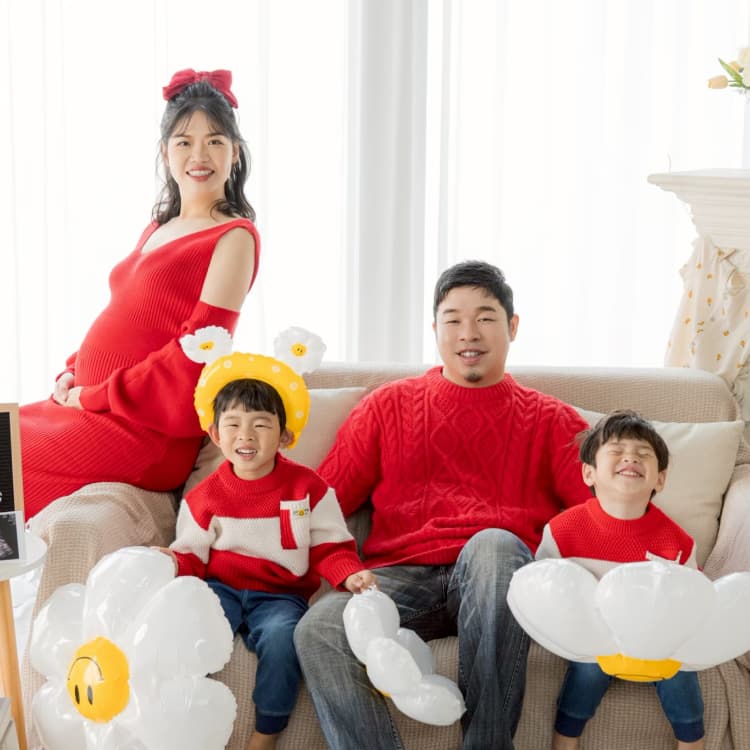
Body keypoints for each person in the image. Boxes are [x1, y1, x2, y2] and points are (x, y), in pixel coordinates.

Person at [293, 260, 591, 750]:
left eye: (486, 318)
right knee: (320, 629)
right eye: (453, 319)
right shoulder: (387, 406)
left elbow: (604, 516)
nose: (468, 333)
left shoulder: (552, 420)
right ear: (435, 329)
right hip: (403, 577)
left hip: (498, 580)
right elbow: (322, 502)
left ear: (513, 327)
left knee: (495, 545)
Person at [19, 68, 260, 519]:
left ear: (235, 152)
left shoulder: (234, 238)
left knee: (8, 458)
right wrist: (73, 372)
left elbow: (195, 354)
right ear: (165, 152)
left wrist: (96, 395)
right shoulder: (159, 226)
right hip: (92, 408)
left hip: (144, 430)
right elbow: (128, 315)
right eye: (184, 142)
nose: (199, 155)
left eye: (214, 141)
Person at [155, 358, 377, 750]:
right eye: (233, 425)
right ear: (215, 434)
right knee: (188, 631)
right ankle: (180, 717)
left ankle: (267, 731)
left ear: (284, 436)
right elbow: (191, 556)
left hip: (280, 596)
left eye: (260, 424)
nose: (246, 435)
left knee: (282, 639)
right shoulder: (203, 497)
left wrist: (349, 573)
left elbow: (330, 546)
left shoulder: (308, 489)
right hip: (219, 589)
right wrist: (170, 562)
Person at [536, 409, 704, 750]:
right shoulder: (562, 530)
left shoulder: (678, 541)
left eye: (644, 453)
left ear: (660, 480)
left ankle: (691, 741)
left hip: (656, 643)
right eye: (617, 450)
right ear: (589, 473)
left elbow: (694, 601)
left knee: (682, 674)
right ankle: (564, 742)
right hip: (594, 640)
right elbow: (543, 590)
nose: (631, 457)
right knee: (585, 673)